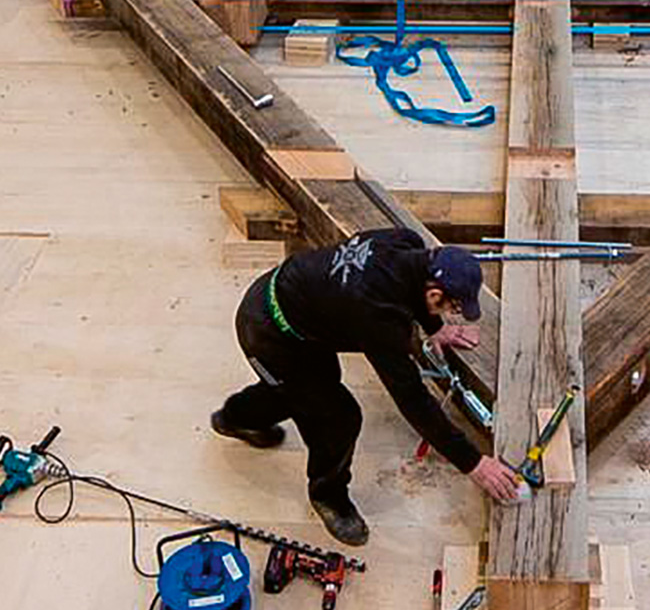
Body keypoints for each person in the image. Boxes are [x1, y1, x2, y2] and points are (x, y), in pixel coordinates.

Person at [213, 225, 525, 546]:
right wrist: (474, 463)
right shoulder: (379, 317)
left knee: (306, 392)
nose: (452, 314)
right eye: (452, 308)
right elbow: (413, 400)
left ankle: (235, 418)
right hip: (268, 334)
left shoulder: (406, 242)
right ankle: (328, 496)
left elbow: (411, 289)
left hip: (294, 306)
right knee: (338, 417)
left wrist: (435, 326)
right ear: (435, 294)